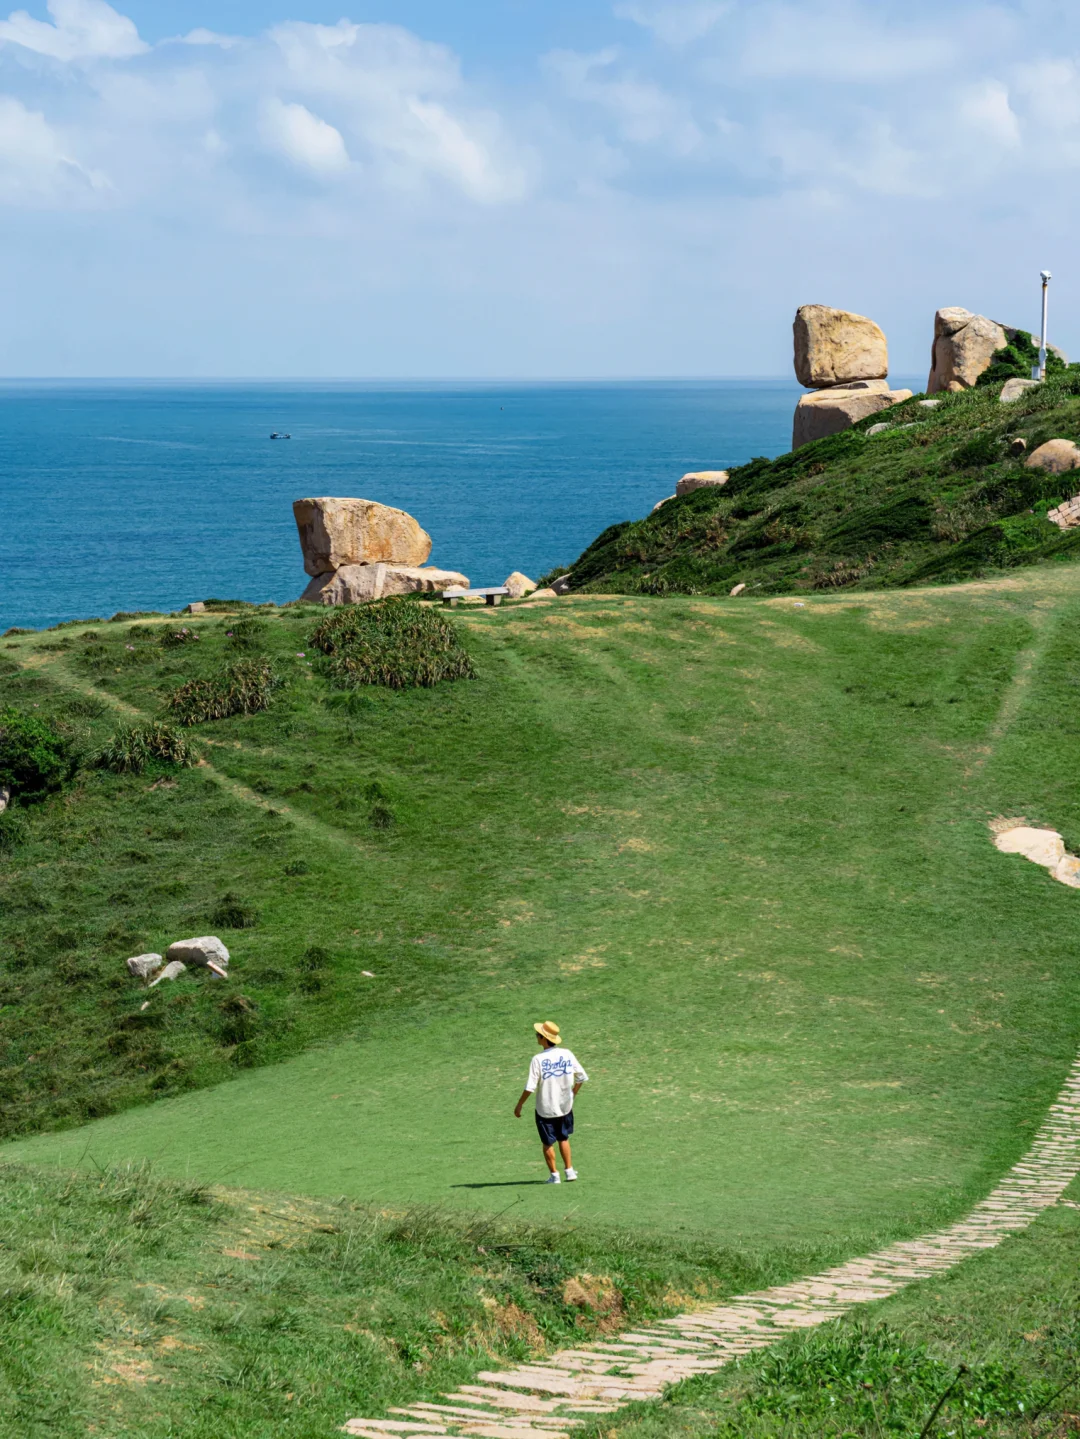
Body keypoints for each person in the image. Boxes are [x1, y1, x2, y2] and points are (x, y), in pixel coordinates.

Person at [513, 1020, 588, 1184]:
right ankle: (569, 1171)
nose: (536, 1036)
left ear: (543, 1038)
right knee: (564, 1138)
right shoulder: (567, 1054)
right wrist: (572, 1094)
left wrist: (519, 1104)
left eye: (538, 1034)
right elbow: (582, 1077)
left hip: (545, 1108)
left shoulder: (537, 1059)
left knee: (547, 1142)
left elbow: (530, 1087)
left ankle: (554, 1176)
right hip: (565, 1107)